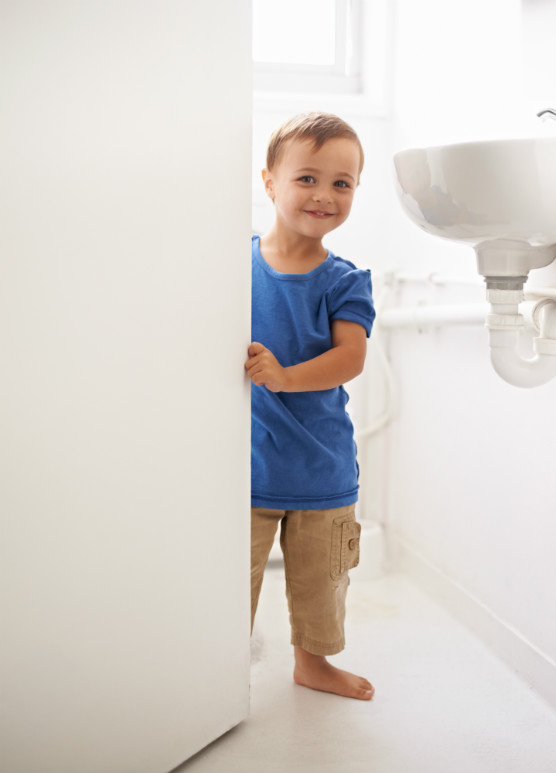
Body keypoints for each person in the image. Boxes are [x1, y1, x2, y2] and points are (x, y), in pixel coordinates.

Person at [245, 112, 376, 701]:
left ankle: (313, 664)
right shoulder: (232, 267)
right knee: (228, 581)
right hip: (245, 470)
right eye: (307, 178)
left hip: (321, 470)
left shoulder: (345, 281)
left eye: (342, 183)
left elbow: (351, 357)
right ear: (270, 181)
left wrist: (284, 376)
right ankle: (215, 667)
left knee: (322, 581)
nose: (325, 194)